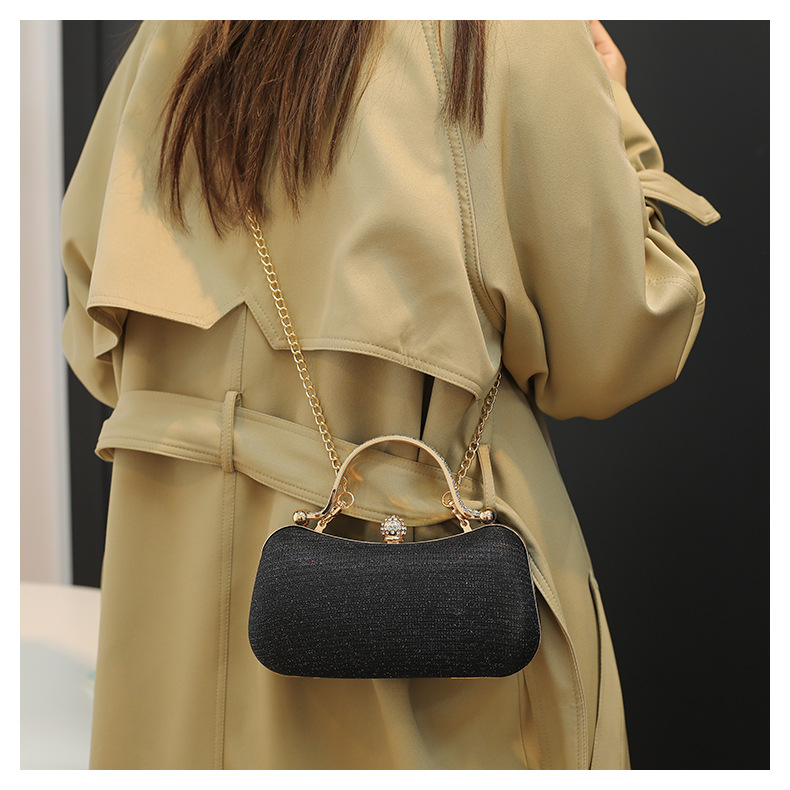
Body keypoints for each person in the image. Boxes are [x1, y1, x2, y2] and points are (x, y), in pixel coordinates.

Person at [61, 20, 719, 769]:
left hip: (165, 630)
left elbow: (95, 343)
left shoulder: (182, 32)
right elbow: (613, 350)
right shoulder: (505, 31)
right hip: (427, 676)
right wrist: (616, 115)